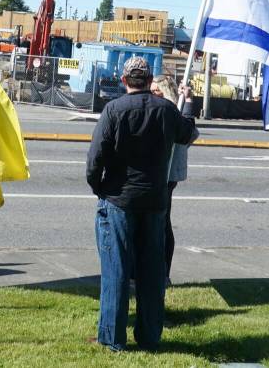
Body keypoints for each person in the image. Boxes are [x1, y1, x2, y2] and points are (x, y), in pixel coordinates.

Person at [86, 56, 197, 352]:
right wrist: (186, 107)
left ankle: (112, 337)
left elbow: (95, 158)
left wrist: (99, 187)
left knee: (116, 271)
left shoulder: (113, 110)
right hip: (154, 200)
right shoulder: (165, 110)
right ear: (149, 81)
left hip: (119, 199)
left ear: (124, 81)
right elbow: (189, 134)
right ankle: (149, 336)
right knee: (151, 273)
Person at [150, 74, 199, 285]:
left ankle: (163, 273)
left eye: (156, 91)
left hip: (166, 175)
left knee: (161, 222)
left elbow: (190, 133)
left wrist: (187, 101)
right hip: (154, 173)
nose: (151, 94)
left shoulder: (170, 111)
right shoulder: (159, 109)